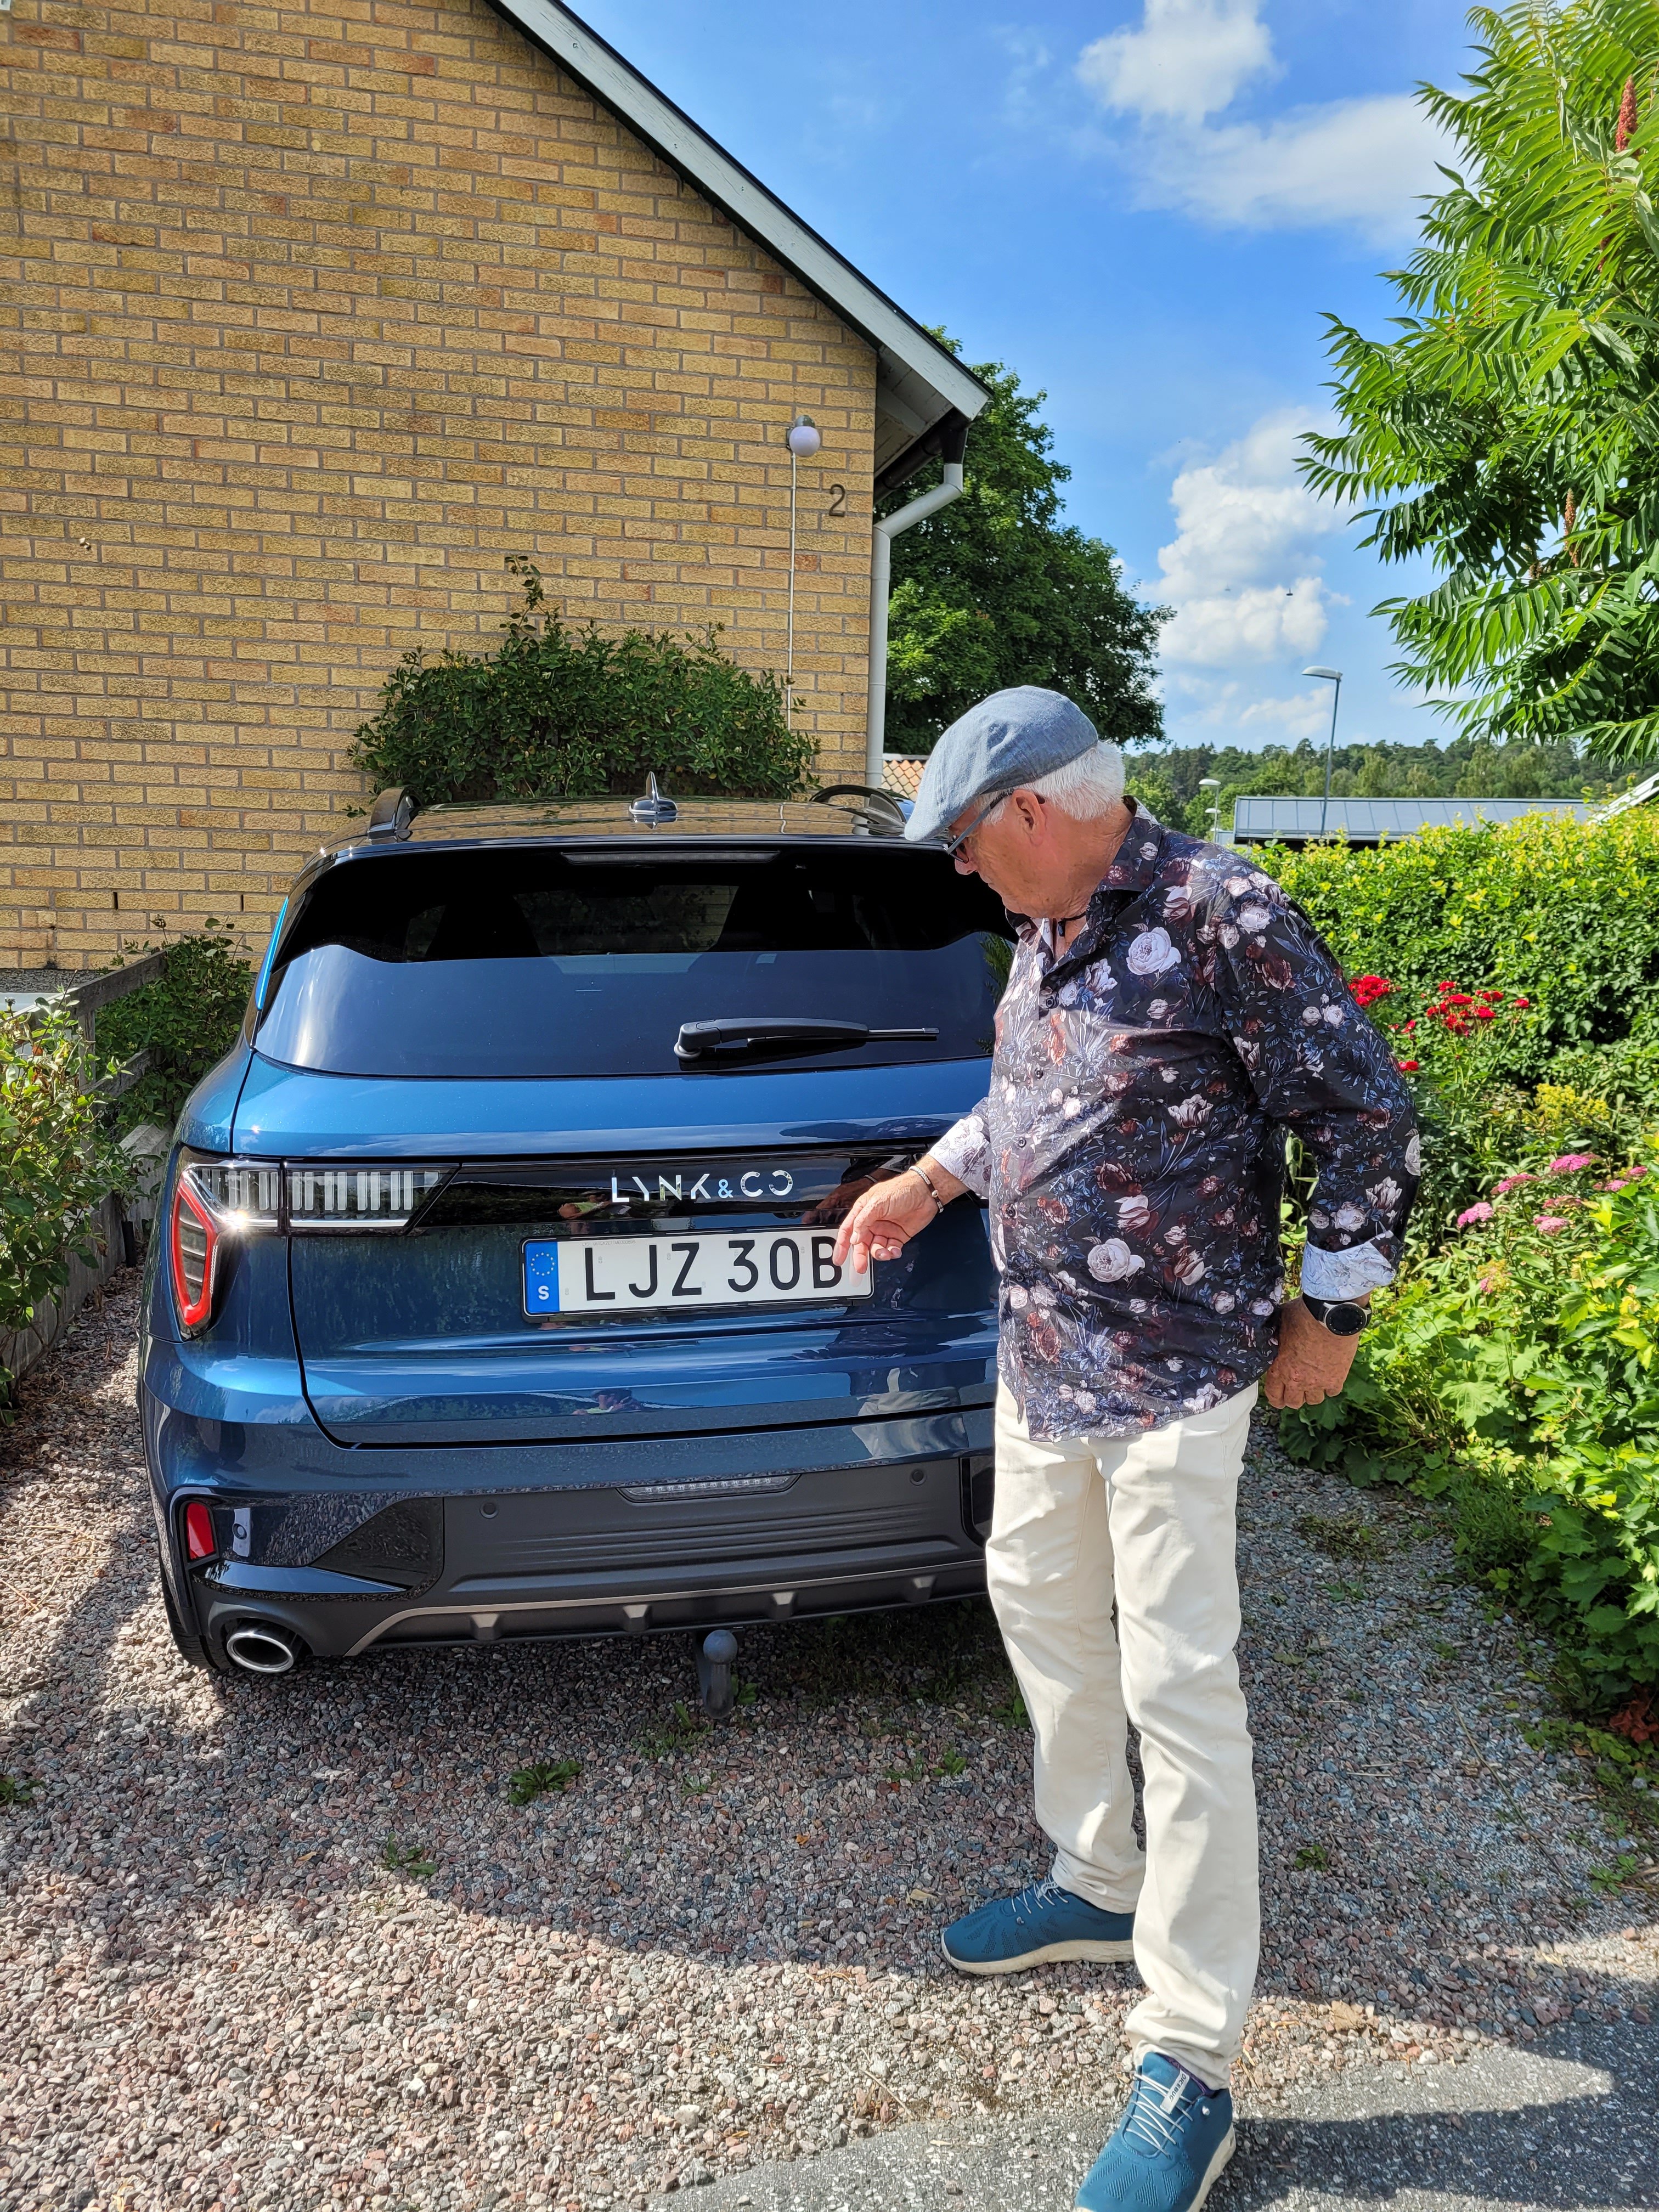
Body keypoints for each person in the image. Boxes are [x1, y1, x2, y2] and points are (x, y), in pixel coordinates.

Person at [832, 687, 1418, 2212]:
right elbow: (1031, 1102)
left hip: (1173, 1376)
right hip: (1043, 1364)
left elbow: (1366, 1117)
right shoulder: (1048, 928)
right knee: (1038, 1608)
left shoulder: (1222, 911)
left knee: (1180, 1686)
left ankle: (1192, 2058)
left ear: (1031, 809)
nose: (964, 871)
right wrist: (928, 1182)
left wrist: (1334, 1317)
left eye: (966, 842)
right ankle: (1096, 1879)